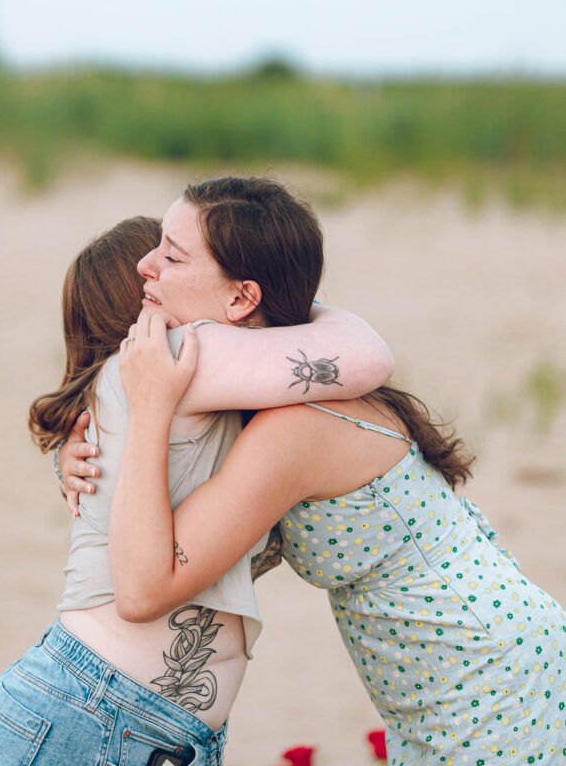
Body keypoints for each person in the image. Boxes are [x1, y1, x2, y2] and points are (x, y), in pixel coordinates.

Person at [0, 177, 395, 766]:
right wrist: (278, 300)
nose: (151, 266)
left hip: (101, 717)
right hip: (92, 715)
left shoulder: (162, 386)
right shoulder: (176, 356)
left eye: (170, 255)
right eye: (154, 260)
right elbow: (367, 354)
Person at [98, 275, 566, 761]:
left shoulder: (294, 427)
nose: (148, 266)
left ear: (242, 296)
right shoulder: (308, 385)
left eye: (173, 255)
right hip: (461, 665)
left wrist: (149, 407)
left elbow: (144, 590)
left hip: (485, 672)